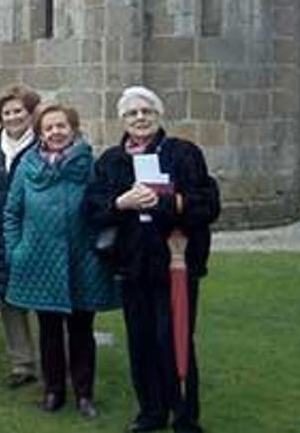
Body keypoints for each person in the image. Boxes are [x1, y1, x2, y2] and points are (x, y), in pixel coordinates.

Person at [85, 87, 219, 433]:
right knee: (141, 341)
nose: (140, 118)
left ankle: (185, 416)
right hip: (132, 265)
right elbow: (93, 209)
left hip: (175, 262)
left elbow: (207, 203)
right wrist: (122, 203)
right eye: (132, 114)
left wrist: (163, 202)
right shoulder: (111, 161)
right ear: (123, 120)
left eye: (146, 111)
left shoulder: (183, 153)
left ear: (159, 116)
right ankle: (151, 412)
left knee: (174, 337)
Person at [5, 105, 118, 418]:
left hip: (82, 260)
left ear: (73, 129)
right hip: (39, 261)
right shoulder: (27, 165)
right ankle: (53, 391)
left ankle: (84, 394)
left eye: (61, 126)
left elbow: (102, 207)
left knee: (82, 330)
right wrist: (15, 250)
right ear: (41, 133)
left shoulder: (90, 165)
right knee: (50, 331)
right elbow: (12, 212)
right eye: (49, 128)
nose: (55, 132)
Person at [0, 85, 42, 389]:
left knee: (44, 301)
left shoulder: (44, 146)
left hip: (35, 235)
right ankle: (21, 364)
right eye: (7, 112)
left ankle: (55, 363)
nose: (13, 117)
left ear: (30, 114)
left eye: (18, 111)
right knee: (10, 301)